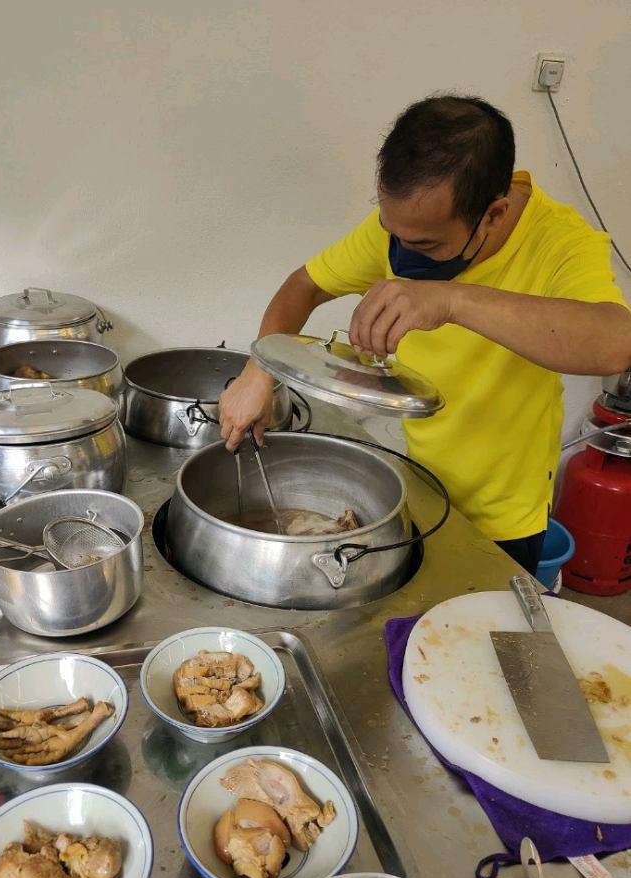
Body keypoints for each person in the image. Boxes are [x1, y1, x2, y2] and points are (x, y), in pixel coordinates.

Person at [218, 94, 631, 574]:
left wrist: (450, 300)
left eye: (425, 244)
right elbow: (304, 285)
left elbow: (615, 342)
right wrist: (258, 372)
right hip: (417, 482)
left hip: (501, 516)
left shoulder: (560, 241)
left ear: (493, 214)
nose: (400, 249)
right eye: (392, 231)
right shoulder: (404, 227)